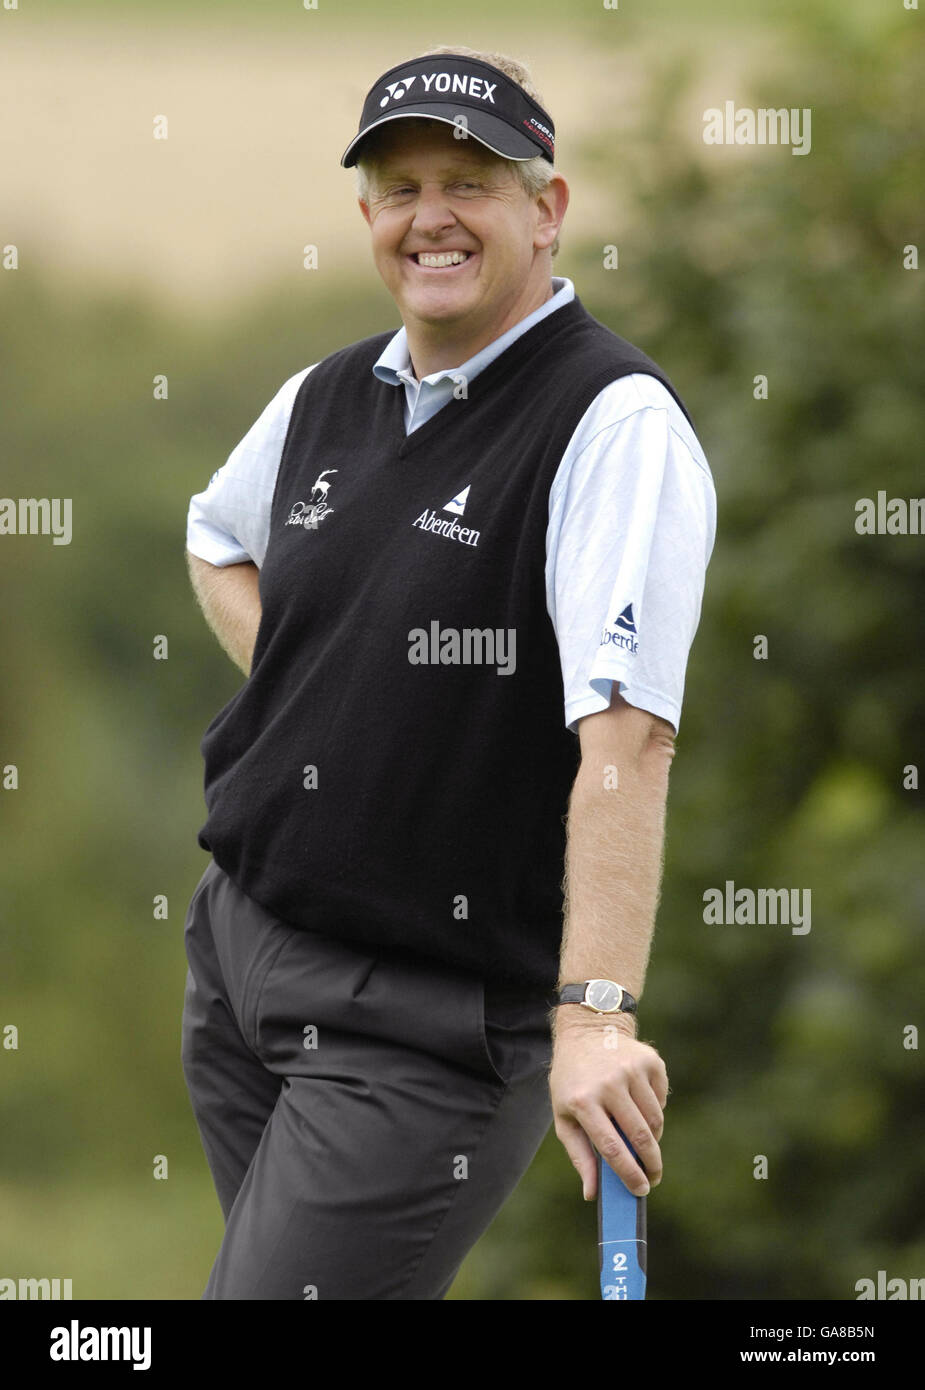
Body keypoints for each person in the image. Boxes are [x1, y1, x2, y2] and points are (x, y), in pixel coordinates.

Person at [181, 44, 716, 1300]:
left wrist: (591, 1016)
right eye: (400, 185)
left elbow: (630, 739)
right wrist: (343, 706)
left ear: (547, 208)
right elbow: (216, 540)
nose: (432, 217)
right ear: (368, 215)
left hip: (418, 1023)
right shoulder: (327, 394)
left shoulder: (611, 423)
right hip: (241, 960)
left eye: (470, 181)